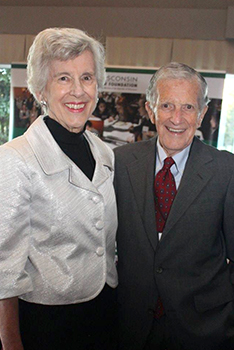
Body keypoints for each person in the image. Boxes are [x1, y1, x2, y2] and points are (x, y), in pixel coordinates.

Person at [0, 27, 118, 350]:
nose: (78, 91)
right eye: (63, 78)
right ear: (41, 89)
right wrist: (10, 342)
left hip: (105, 317)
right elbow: (3, 271)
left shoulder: (105, 154)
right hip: (47, 327)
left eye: (87, 77)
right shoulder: (15, 159)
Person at [114, 62, 234, 350]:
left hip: (204, 329)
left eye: (189, 107)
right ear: (150, 108)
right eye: (167, 105)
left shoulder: (226, 170)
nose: (177, 118)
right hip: (129, 326)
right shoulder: (118, 162)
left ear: (203, 113)